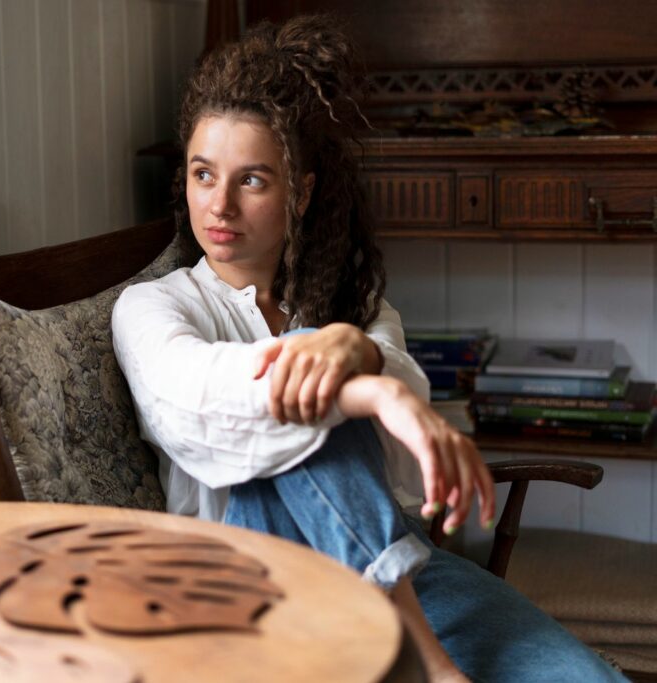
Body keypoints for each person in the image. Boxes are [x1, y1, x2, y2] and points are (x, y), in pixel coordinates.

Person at [111, 14, 625, 683]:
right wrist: (365, 385)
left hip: (402, 565)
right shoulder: (151, 306)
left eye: (253, 180)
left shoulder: (351, 308)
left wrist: (361, 351)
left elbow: (409, 448)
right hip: (253, 584)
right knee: (300, 357)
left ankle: (413, 633)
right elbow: (205, 396)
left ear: (302, 194)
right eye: (203, 174)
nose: (221, 206)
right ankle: (427, 663)